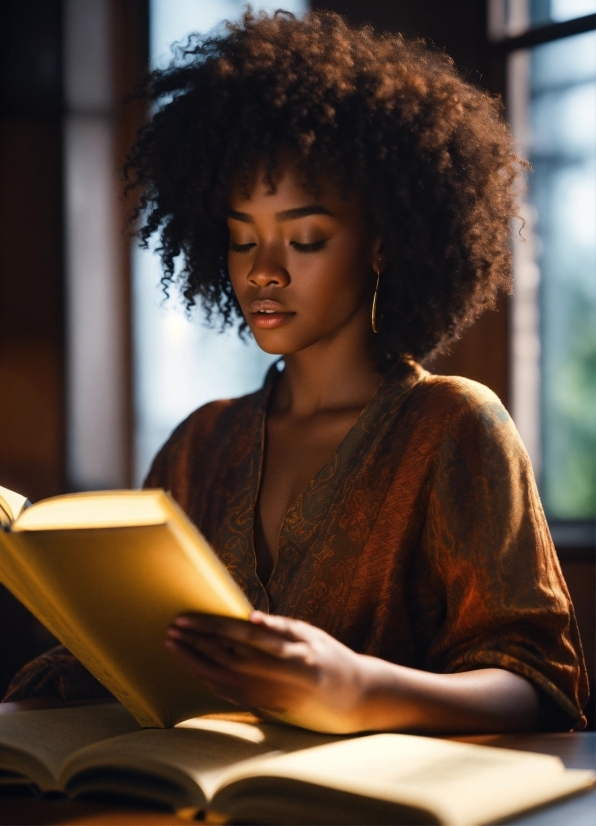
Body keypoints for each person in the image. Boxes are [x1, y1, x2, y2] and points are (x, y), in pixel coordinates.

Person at [4, 9, 587, 733]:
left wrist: (355, 689)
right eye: (243, 240)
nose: (265, 272)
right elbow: (114, 657)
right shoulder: (200, 445)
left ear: (382, 243)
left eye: (305, 239)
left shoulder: (454, 426)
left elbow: (540, 683)